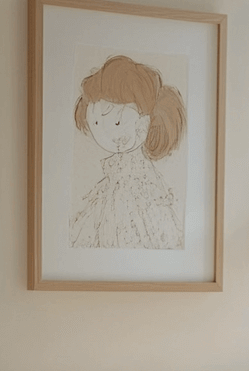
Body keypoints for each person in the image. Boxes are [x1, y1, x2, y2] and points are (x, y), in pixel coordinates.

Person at [71, 54, 186, 250]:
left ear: (145, 122)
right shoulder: (113, 174)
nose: (105, 132)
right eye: (96, 123)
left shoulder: (141, 180)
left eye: (116, 122)